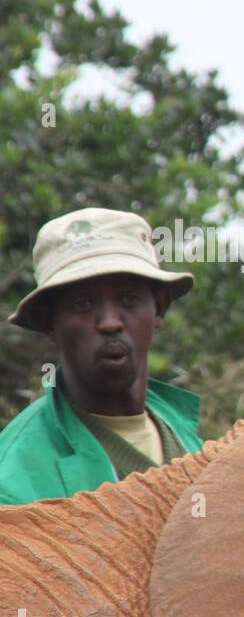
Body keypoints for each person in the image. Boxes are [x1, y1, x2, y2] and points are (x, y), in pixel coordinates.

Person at [0, 208, 203, 506]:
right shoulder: (14, 479)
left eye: (128, 299)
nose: (110, 322)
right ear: (48, 323)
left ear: (159, 308)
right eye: (82, 304)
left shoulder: (188, 438)